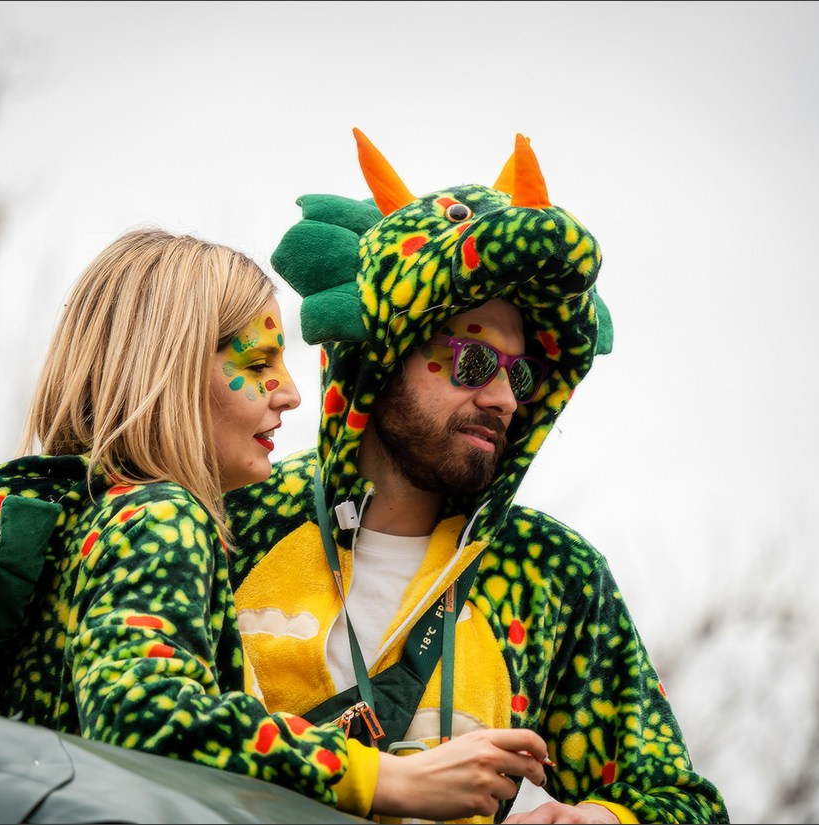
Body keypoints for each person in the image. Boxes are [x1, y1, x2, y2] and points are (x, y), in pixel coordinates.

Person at [0, 228, 550, 822]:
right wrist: (388, 780)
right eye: (259, 361)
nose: (291, 392)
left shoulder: (77, 520)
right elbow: (145, 713)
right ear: (169, 367)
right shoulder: (162, 515)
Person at [224, 131, 730, 823]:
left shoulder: (553, 573)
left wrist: (598, 819)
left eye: (520, 374)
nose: (503, 398)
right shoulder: (233, 516)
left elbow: (684, 804)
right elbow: (133, 719)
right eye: (472, 360)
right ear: (382, 353)